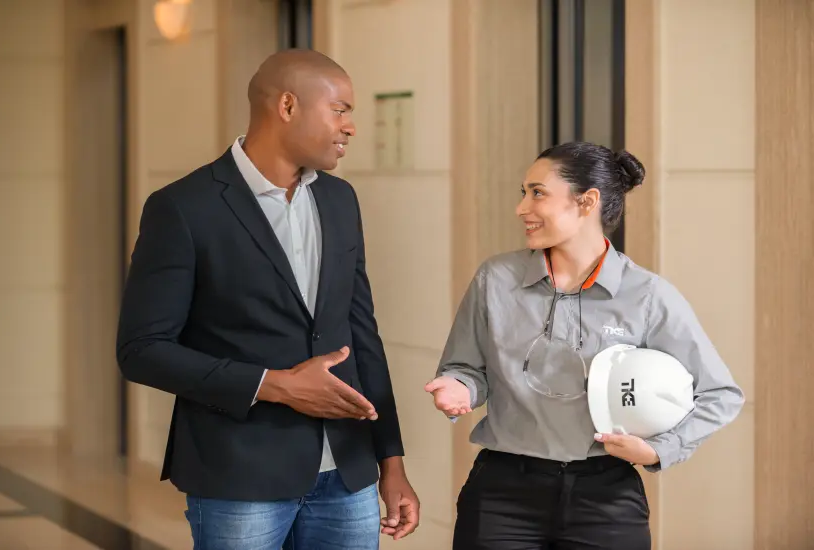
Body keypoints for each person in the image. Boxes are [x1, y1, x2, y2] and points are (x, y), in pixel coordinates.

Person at [116, 49, 419, 550]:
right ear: (287, 106)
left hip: (348, 475)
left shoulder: (340, 200)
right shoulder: (183, 208)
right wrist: (272, 385)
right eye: (340, 109)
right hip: (239, 476)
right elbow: (142, 349)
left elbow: (362, 335)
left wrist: (391, 461)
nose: (351, 127)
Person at [425, 142, 745, 549]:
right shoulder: (496, 278)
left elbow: (720, 393)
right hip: (501, 492)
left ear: (587, 201)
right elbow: (467, 367)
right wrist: (460, 387)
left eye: (537, 193)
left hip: (606, 498)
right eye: (523, 192)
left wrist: (658, 451)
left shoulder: (646, 295)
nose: (522, 208)